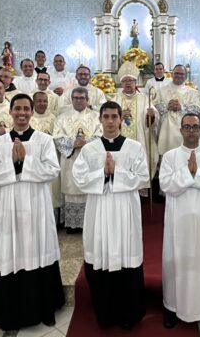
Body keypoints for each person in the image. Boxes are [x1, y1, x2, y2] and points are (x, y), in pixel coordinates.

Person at [0, 94, 64, 331]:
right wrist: (13, 164)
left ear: (32, 112)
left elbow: (52, 171)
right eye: (18, 108)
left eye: (26, 108)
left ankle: (45, 308)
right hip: (10, 208)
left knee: (40, 249)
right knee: (13, 253)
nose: (22, 113)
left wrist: (24, 162)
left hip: (37, 205)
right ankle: (11, 311)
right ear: (11, 111)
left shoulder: (44, 140)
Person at [72, 101, 150, 329]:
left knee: (126, 257)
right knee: (102, 256)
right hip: (100, 210)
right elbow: (80, 177)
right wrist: (103, 174)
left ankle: (130, 315)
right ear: (100, 119)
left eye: (114, 117)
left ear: (121, 119)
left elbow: (143, 176)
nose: (110, 121)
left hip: (125, 209)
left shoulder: (134, 147)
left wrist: (116, 173)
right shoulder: (90, 149)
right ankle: (105, 314)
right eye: (105, 116)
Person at [160, 113, 200, 331]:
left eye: (195, 127)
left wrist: (195, 174)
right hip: (178, 219)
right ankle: (172, 306)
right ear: (180, 130)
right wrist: (188, 174)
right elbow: (166, 186)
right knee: (177, 259)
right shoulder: (170, 156)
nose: (191, 131)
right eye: (186, 127)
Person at [53, 87, 102, 232]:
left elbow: (101, 133)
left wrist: (86, 143)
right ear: (71, 99)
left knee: (89, 188)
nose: (79, 100)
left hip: (90, 160)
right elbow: (56, 136)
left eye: (82, 98)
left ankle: (90, 222)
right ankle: (73, 225)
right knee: (71, 189)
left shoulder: (96, 116)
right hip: (70, 160)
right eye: (76, 98)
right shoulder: (61, 117)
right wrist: (72, 143)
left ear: (87, 100)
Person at [110, 62, 159, 191]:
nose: (128, 83)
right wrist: (119, 119)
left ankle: (140, 192)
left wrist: (152, 115)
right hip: (119, 143)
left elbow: (154, 120)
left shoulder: (144, 98)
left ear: (135, 82)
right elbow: (108, 121)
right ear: (121, 83)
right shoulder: (115, 100)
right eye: (125, 80)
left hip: (140, 141)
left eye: (131, 80)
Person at [30, 91, 62, 224]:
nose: (42, 104)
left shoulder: (54, 118)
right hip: (33, 162)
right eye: (39, 101)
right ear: (33, 102)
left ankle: (53, 220)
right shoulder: (29, 117)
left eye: (45, 101)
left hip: (50, 159)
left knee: (53, 191)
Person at [154, 65, 200, 156]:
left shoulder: (192, 92)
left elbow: (197, 109)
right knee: (167, 155)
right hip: (166, 130)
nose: (179, 75)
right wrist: (167, 106)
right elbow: (154, 107)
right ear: (172, 74)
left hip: (186, 129)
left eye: (181, 74)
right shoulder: (161, 90)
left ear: (185, 76)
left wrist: (182, 107)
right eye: (176, 73)